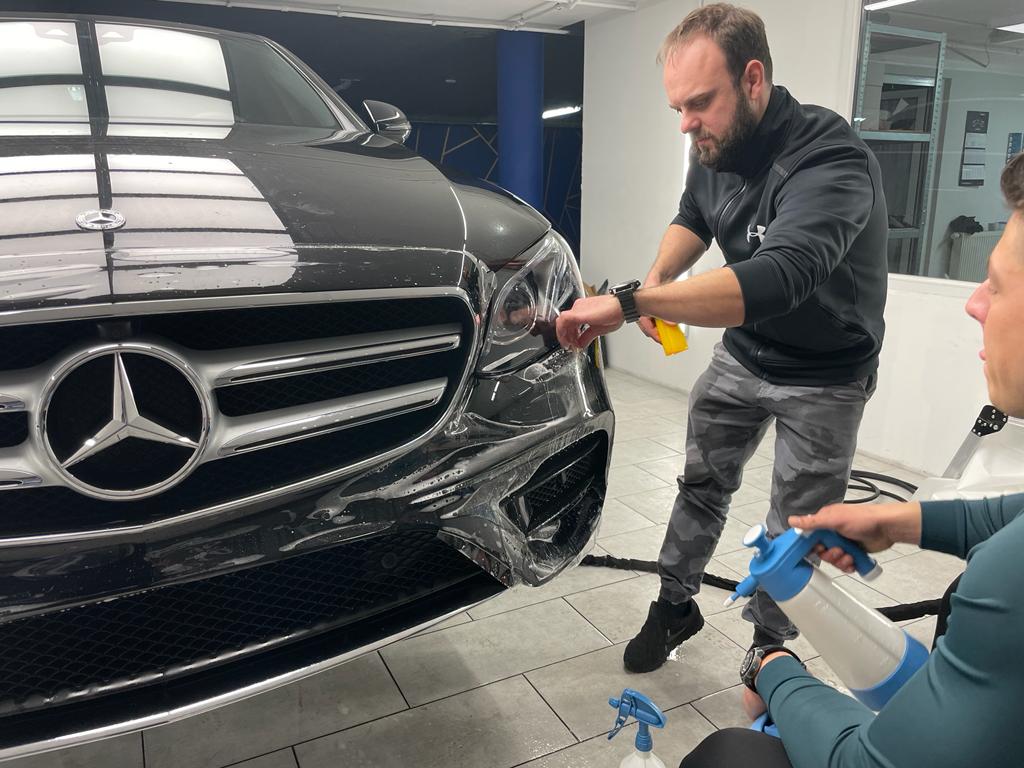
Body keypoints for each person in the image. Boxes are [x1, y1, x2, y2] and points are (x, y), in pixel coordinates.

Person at [555, 3, 888, 672]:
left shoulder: (831, 159)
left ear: (753, 79)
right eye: (678, 107)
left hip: (824, 374)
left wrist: (630, 300)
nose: (687, 123)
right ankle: (675, 605)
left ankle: (769, 651)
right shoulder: (713, 144)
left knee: (796, 528)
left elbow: (780, 277)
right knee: (700, 485)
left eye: (700, 102)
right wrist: (657, 276)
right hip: (743, 355)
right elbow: (694, 216)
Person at [679, 151, 1024, 767]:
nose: (975, 303)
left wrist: (774, 671)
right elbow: (1012, 519)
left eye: (997, 284)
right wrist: (899, 522)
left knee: (727, 754)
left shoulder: (1008, 582)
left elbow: (867, 762)